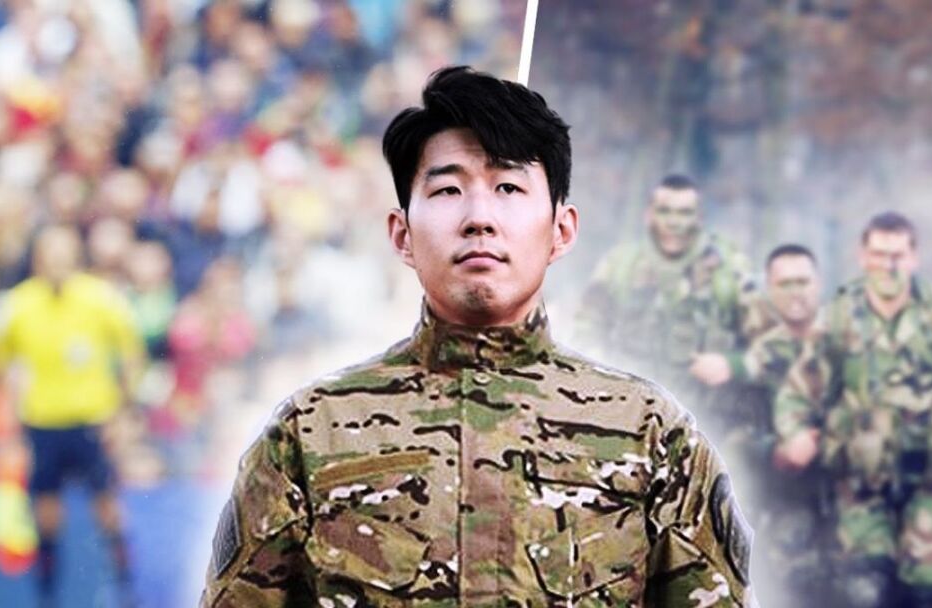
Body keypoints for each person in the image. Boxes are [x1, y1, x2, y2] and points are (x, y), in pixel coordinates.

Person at [201, 66, 753, 607]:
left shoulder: (647, 432)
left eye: (508, 187)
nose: (479, 217)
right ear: (402, 234)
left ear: (561, 230)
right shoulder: (311, 433)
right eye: (447, 190)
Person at [773, 212, 932, 607]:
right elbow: (799, 390)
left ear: (913, 257)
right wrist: (794, 435)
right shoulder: (839, 319)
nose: (888, 266)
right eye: (879, 255)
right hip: (862, 481)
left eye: (897, 255)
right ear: (863, 257)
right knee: (866, 586)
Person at [0, 226, 145, 607]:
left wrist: (123, 412)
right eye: (50, 255)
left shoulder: (99, 299)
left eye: (65, 254)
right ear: (37, 260)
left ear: (76, 258)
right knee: (46, 515)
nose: (58, 263)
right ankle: (48, 597)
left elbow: (131, 353)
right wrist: (12, 419)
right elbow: (1, 363)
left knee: (108, 508)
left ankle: (128, 590)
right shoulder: (19, 305)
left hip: (92, 421)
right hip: (43, 423)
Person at [691, 243, 827, 607]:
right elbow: (726, 435)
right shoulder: (750, 356)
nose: (796, 293)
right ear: (769, 288)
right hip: (782, 493)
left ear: (819, 284)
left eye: (803, 282)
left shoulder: (846, 340)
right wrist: (774, 450)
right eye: (785, 284)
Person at [575, 174, 758, 440]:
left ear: (699, 218)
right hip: (631, 421)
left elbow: (772, 340)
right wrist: (608, 376)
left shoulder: (729, 270)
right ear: (649, 215)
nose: (674, 222)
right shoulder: (620, 266)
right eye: (665, 211)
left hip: (710, 426)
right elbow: (585, 331)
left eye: (684, 213)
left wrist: (733, 364)